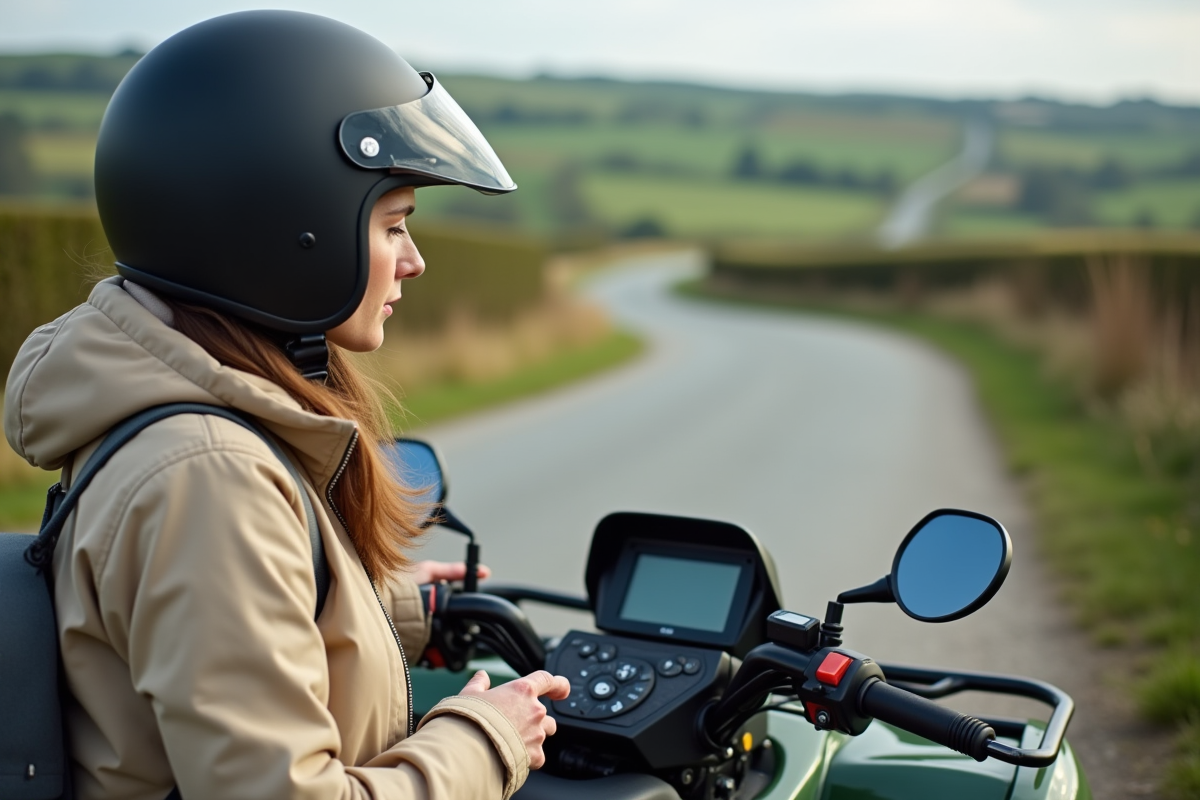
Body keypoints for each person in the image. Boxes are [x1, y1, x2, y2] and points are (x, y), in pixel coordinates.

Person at [2, 10, 569, 800]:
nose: (414, 261)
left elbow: (194, 631)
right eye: (394, 223)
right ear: (288, 231)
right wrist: (484, 740)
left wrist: (387, 608)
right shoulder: (210, 478)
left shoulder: (176, 427)